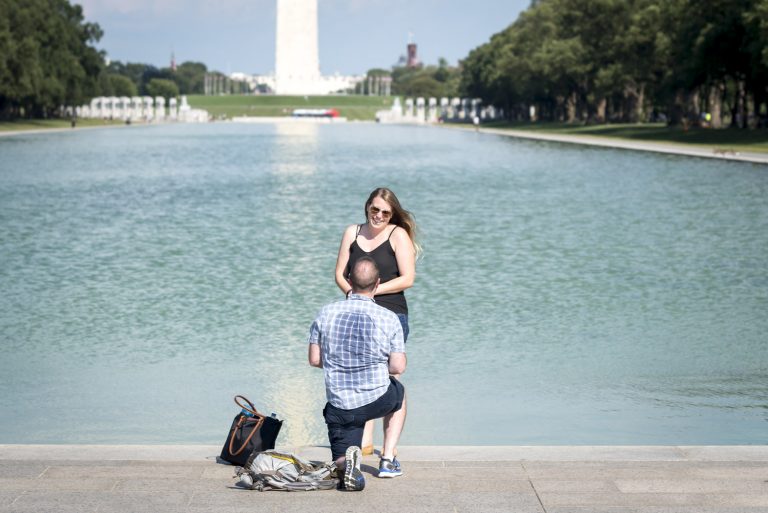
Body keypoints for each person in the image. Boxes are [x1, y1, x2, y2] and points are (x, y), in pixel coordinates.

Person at [309, 257, 407, 491]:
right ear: (378, 283)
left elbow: (314, 360)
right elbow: (397, 367)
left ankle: (346, 465)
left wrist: (339, 363)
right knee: (399, 395)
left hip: (339, 404)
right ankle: (387, 460)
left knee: (341, 459)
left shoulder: (326, 313)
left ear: (349, 282)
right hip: (375, 399)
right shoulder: (388, 317)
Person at [334, 187, 418, 455]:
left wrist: (370, 291)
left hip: (391, 313)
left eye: (385, 212)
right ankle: (365, 440)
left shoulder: (397, 234)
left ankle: (386, 446)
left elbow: (407, 278)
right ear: (367, 207)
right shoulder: (352, 232)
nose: (379, 215)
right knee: (362, 371)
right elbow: (339, 273)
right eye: (375, 209)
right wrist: (354, 295)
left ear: (392, 214)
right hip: (357, 313)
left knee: (387, 373)